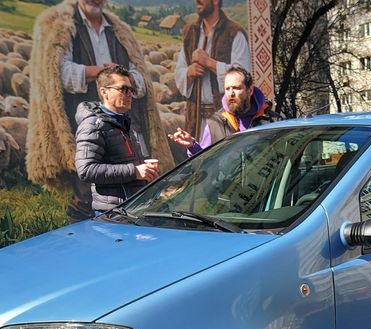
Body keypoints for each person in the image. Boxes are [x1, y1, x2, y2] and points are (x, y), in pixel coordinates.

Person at [28, 0, 172, 219]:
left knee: (136, 191)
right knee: (90, 191)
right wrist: (99, 73)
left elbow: (141, 80)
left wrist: (124, 81)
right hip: (87, 120)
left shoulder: (119, 31)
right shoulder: (60, 26)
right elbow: (55, 74)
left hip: (124, 123)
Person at [75, 67, 159, 214]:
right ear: (104, 92)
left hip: (131, 209)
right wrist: (134, 171)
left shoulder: (123, 122)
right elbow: (86, 170)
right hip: (113, 214)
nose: (130, 95)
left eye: (131, 90)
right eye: (124, 89)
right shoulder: (93, 125)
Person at [174, 0, 251, 142]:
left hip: (226, 120)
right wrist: (189, 72)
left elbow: (243, 75)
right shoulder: (190, 32)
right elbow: (179, 74)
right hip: (196, 121)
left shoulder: (234, 33)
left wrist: (209, 62)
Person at [169, 66, 277, 158]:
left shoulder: (271, 121)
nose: (231, 93)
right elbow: (206, 159)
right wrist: (192, 146)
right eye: (227, 88)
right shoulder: (215, 124)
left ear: (250, 90)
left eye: (236, 88)